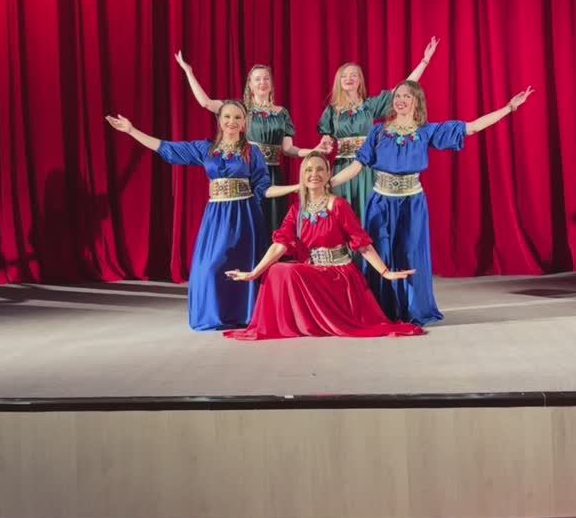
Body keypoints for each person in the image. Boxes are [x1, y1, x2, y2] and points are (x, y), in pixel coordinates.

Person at [331, 81, 535, 326]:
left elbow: (471, 128)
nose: (401, 100)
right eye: (398, 96)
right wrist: (328, 184)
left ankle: (411, 310)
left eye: (407, 96)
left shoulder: (426, 131)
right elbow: (356, 166)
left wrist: (509, 108)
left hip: (411, 204)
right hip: (380, 203)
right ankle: (379, 310)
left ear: (417, 101)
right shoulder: (378, 132)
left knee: (409, 254)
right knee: (379, 253)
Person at [105, 101, 297, 331]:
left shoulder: (252, 151)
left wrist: (296, 187)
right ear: (219, 120)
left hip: (244, 216)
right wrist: (131, 130)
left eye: (237, 117)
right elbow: (168, 148)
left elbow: (264, 188)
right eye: (227, 116)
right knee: (209, 267)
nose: (232, 122)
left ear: (244, 122)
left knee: (243, 264)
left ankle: (246, 315)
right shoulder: (206, 149)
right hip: (216, 216)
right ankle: (215, 315)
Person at [224, 152, 425, 340]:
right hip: (312, 271)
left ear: (329, 174)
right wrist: (254, 273)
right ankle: (293, 324)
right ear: (302, 176)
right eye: (309, 170)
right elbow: (279, 246)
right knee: (275, 270)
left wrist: (385, 272)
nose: (314, 174)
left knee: (287, 271)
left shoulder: (338, 205)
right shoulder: (296, 209)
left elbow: (362, 244)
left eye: (320, 169)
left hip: (337, 275)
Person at [176, 52, 322, 230]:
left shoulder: (281, 112)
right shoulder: (240, 109)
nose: (262, 82)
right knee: (251, 223)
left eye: (266, 78)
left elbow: (288, 148)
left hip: (274, 173)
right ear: (250, 85)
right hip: (247, 170)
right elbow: (205, 103)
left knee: (274, 222)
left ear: (271, 84)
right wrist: (189, 72)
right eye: (257, 79)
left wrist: (312, 151)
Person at [317, 37, 440, 221]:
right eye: (344, 76)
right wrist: (325, 144)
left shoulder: (370, 106)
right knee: (342, 215)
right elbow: (326, 139)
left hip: (367, 168)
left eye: (354, 75)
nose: (349, 78)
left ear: (360, 81)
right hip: (342, 167)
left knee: (368, 215)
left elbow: (403, 88)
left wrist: (425, 61)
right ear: (338, 81)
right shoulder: (331, 111)